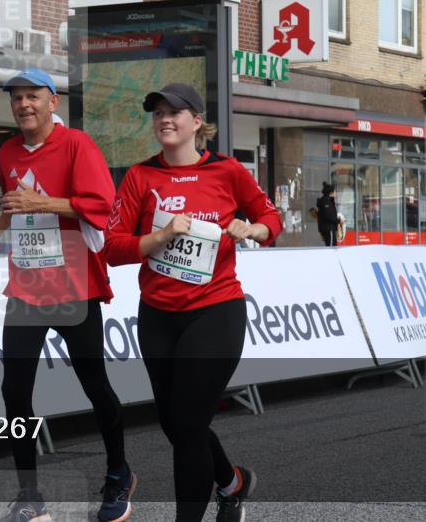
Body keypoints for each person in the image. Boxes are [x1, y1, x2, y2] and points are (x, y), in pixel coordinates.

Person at [103, 83, 282, 522]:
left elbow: (270, 218)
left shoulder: (227, 171)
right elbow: (112, 247)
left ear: (197, 122)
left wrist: (252, 230)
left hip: (216, 310)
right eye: (158, 113)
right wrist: (161, 236)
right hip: (158, 315)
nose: (165, 119)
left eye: (175, 112)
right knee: (176, 423)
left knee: (186, 423)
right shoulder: (140, 177)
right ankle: (232, 483)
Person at [0, 68, 133, 522]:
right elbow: (14, 202)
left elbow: (102, 206)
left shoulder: (76, 144)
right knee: (13, 389)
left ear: (53, 102)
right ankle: (30, 497)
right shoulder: (7, 151)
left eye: (32, 96)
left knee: (94, 384)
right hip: (26, 286)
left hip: (74, 285)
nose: (23, 104)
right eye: (16, 98)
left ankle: (119, 473)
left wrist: (41, 203)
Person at [316, 182, 340, 247]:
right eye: (335, 191)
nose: (336, 193)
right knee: (331, 247)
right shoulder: (326, 202)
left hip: (328, 228)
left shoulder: (328, 201)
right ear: (331, 193)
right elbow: (328, 216)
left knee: (331, 246)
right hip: (328, 228)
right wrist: (338, 220)